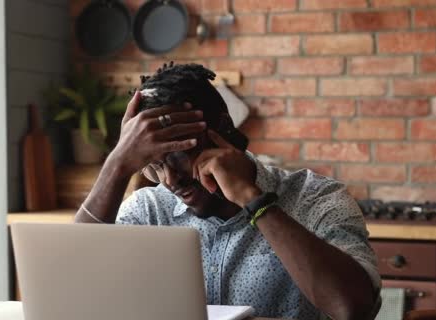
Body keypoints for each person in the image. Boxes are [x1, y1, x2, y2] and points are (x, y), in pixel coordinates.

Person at [74, 63, 381, 320]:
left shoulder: (316, 199)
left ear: (221, 130)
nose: (169, 180)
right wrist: (116, 165)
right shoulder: (148, 211)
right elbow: (70, 291)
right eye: (154, 164)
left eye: (180, 154)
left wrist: (255, 202)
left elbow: (352, 309)